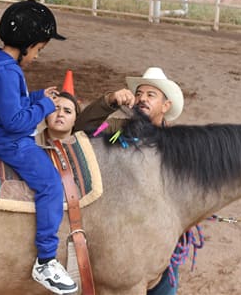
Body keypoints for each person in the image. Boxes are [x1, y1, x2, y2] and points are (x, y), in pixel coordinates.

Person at [0, 0, 78, 295]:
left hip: (3, 133)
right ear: (27, 44)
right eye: (39, 50)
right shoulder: (6, 72)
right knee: (51, 186)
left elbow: (8, 102)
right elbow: (16, 121)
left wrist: (35, 96)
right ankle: (45, 261)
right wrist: (44, 104)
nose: (37, 56)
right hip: (12, 141)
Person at [74, 67, 185, 295]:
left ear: (166, 106)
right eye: (139, 94)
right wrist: (108, 101)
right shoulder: (117, 130)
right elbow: (82, 129)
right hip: (117, 232)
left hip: (159, 235)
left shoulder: (178, 145)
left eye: (150, 95)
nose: (142, 98)